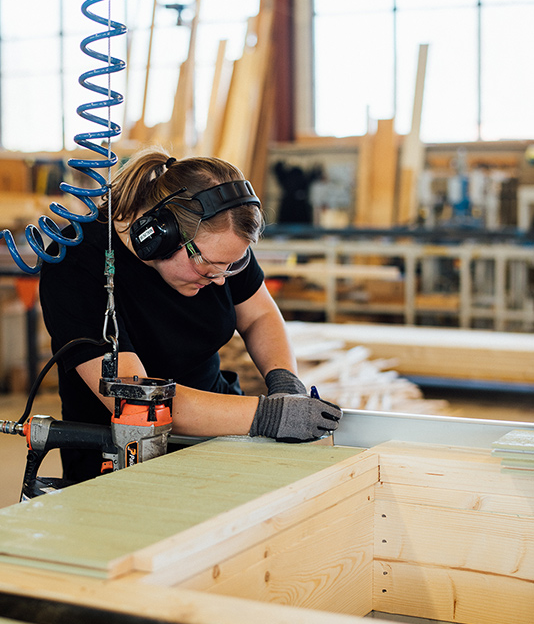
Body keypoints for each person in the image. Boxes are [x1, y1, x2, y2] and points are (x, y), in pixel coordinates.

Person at [39, 148, 342, 483]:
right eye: (209, 265)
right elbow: (137, 402)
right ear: (160, 233)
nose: (220, 279)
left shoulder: (220, 247)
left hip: (218, 438)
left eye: (231, 266)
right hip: (122, 458)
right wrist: (266, 416)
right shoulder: (76, 264)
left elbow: (259, 316)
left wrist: (285, 381)